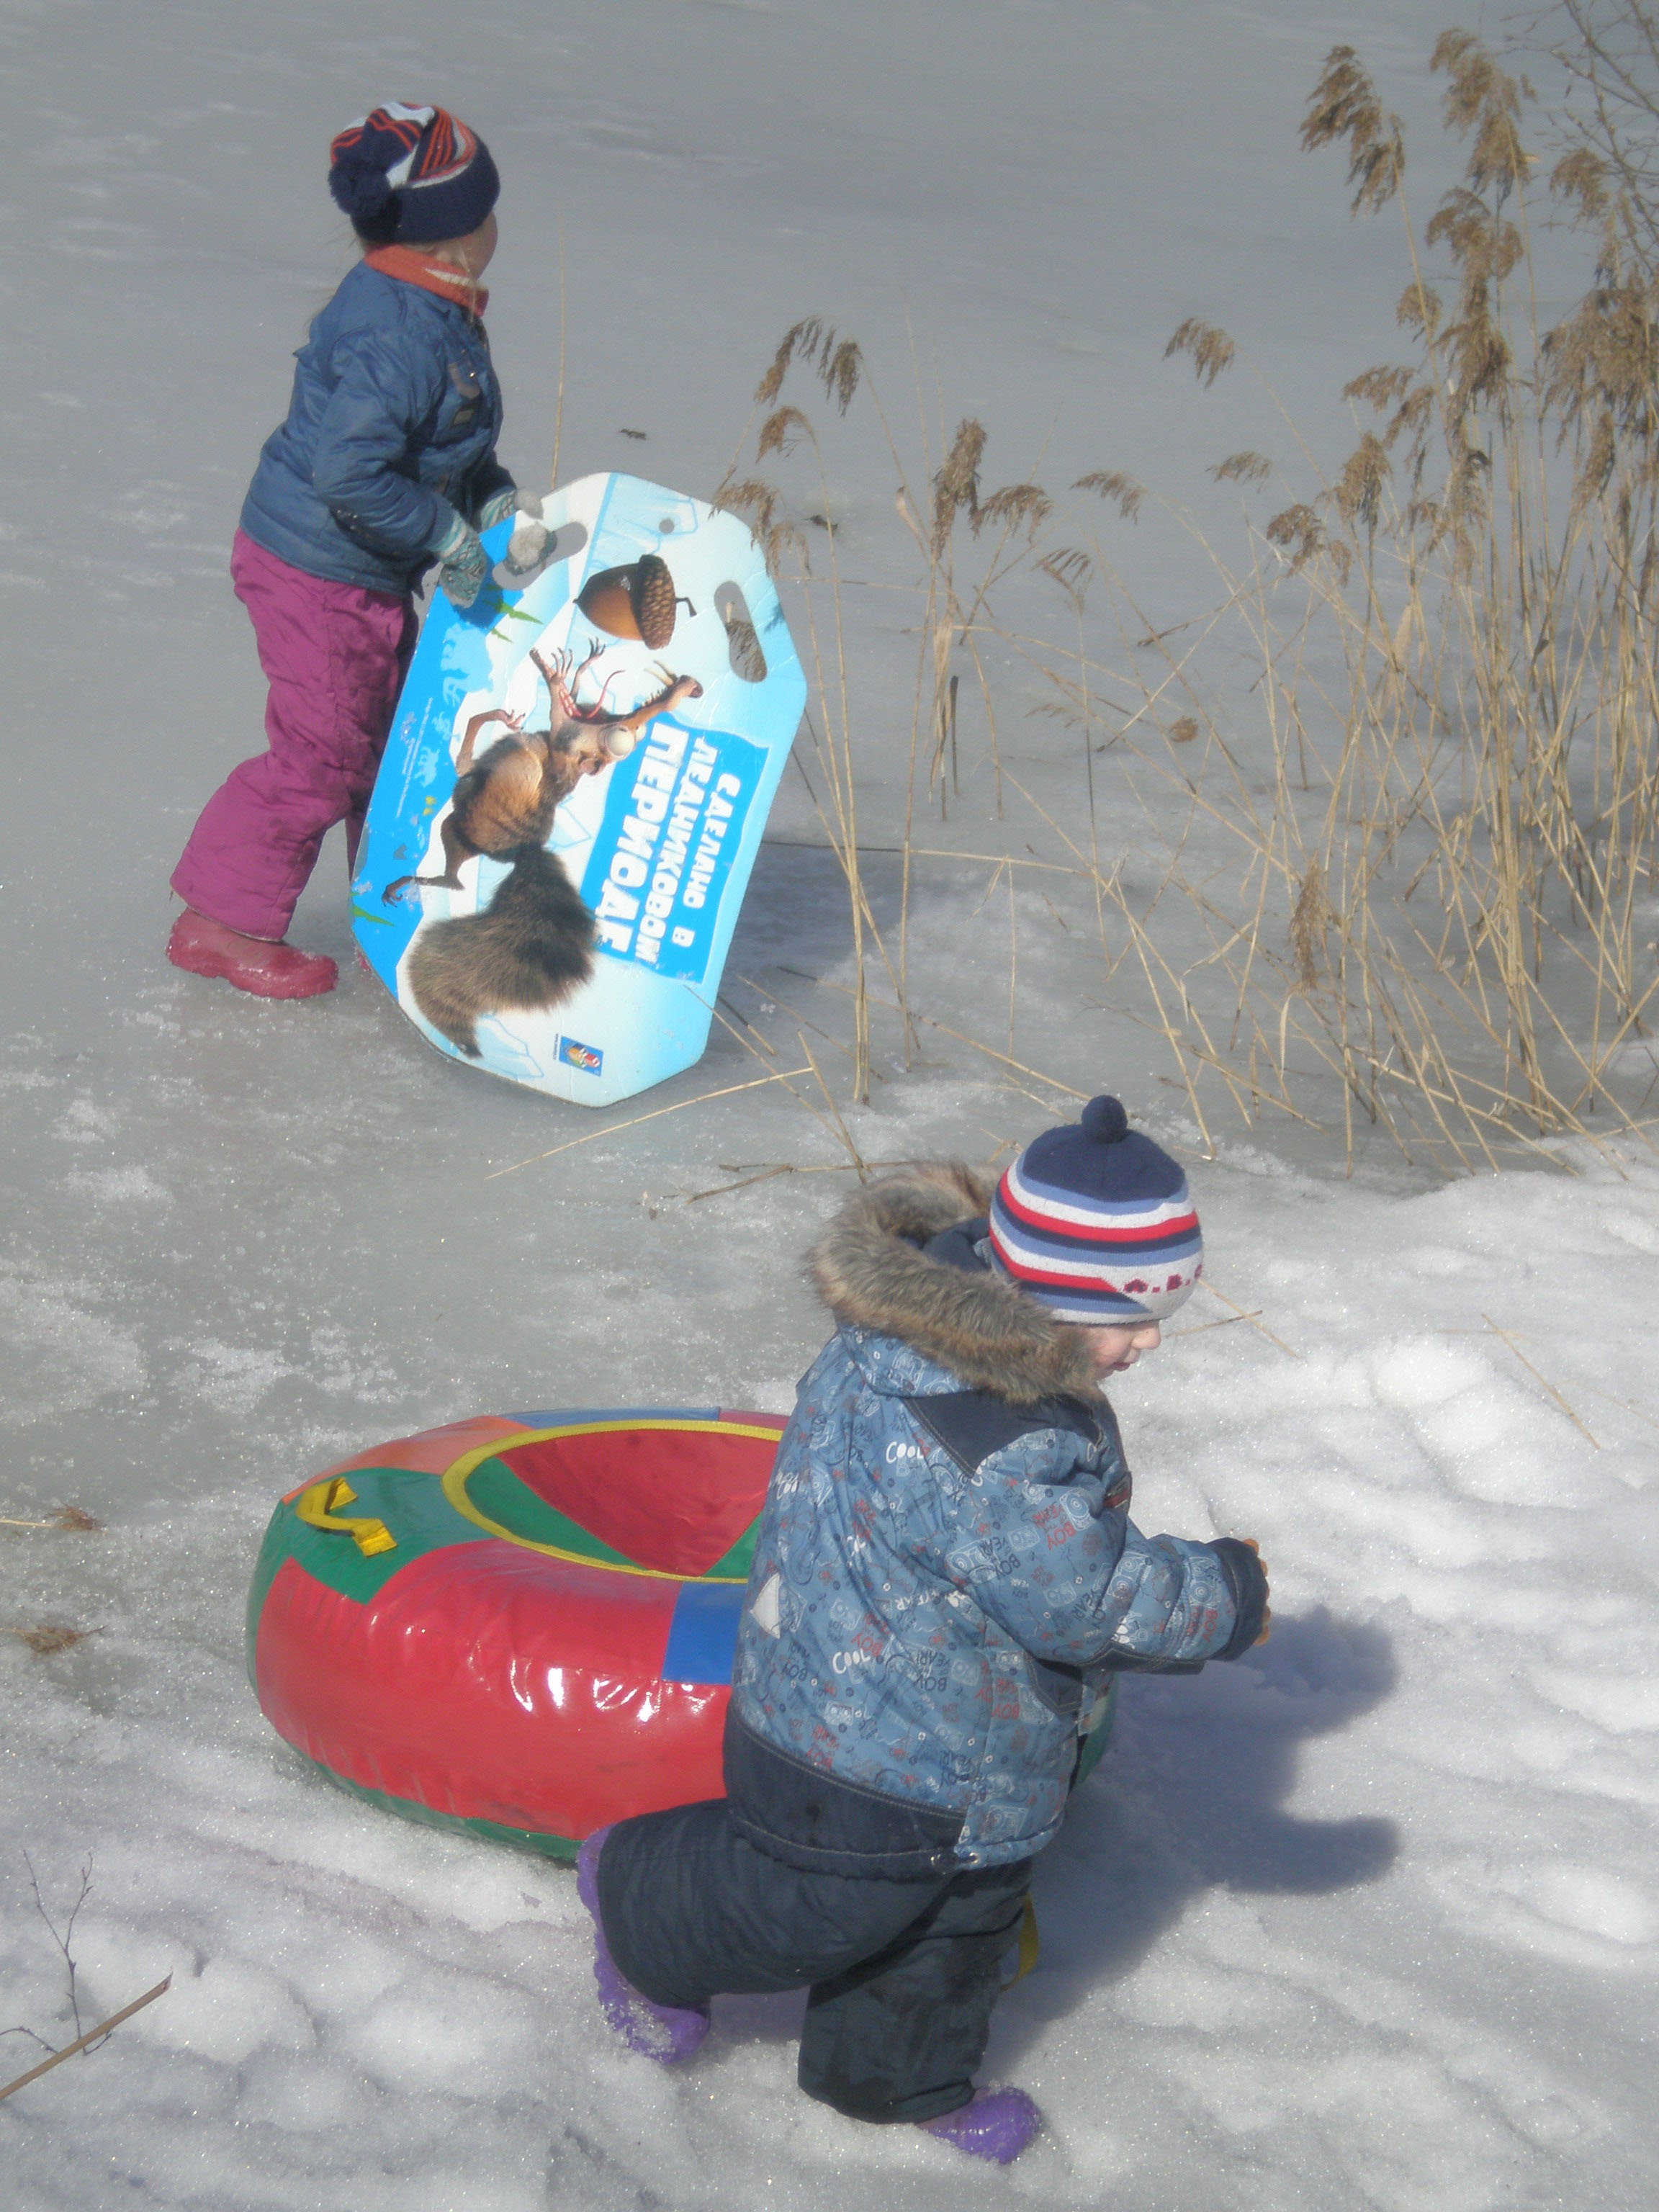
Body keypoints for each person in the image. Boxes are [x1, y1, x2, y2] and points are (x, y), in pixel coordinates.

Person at [576, 1094, 1271, 2164]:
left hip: (962, 1735)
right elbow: (1081, 1597)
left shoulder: (951, 1352)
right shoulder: (994, 1434)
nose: (1146, 1343)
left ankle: (894, 2085)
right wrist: (1225, 1594)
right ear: (1041, 1298)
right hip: (862, 1740)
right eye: (1131, 1317)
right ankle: (637, 1896)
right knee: (826, 1907)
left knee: (962, 1917)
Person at [167, 103, 518, 999]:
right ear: (453, 236)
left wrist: (486, 492)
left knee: (399, 739)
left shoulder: (436, 309)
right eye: (485, 210)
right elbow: (351, 473)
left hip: (360, 569)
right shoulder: (398, 332)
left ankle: (394, 911)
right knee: (321, 756)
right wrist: (444, 533)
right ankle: (221, 923)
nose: (496, 225)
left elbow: (435, 440)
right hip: (313, 571)